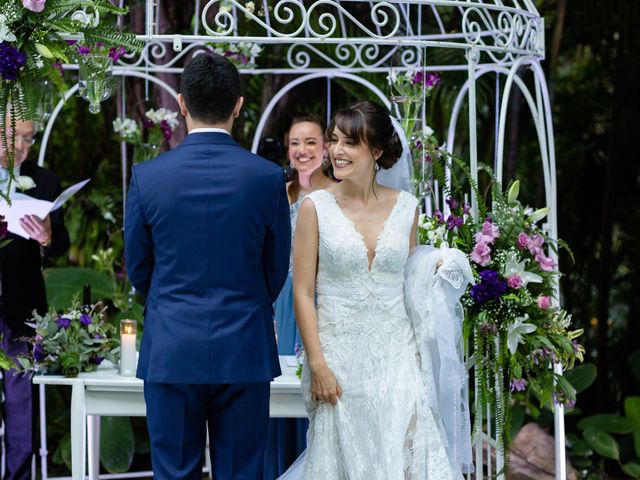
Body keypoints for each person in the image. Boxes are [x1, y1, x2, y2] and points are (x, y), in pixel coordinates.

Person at [124, 53, 290, 480]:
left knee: (174, 472)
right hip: (245, 346)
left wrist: (170, 305)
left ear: (181, 103)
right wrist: (247, 304)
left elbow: (139, 267)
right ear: (238, 105)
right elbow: (275, 268)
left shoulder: (147, 176)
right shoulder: (268, 177)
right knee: (242, 472)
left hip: (172, 345)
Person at [291, 101, 467, 479]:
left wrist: (433, 262)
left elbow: (408, 274)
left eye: (349, 143)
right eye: (334, 140)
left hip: (398, 357)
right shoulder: (314, 208)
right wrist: (318, 364)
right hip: (339, 360)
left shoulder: (407, 207)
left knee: (407, 459)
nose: (336, 151)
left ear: (376, 151)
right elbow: (303, 292)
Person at [0, 117, 70, 480]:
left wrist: (46, 237)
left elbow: (62, 244)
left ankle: (20, 475)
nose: (24, 148)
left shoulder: (43, 181)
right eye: (17, 138)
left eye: (30, 139)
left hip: (21, 307)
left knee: (20, 398)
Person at [265, 114, 333, 478]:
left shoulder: (337, 196)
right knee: (278, 395)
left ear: (326, 148)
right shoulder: (278, 195)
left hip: (322, 305)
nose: (302, 150)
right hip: (280, 305)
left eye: (311, 142)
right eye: (295, 143)